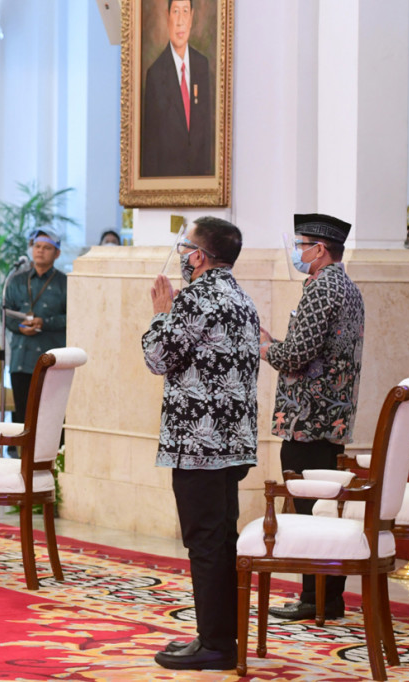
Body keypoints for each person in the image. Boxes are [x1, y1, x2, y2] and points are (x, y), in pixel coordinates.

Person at [142, 217, 259, 671]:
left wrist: (161, 312)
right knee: (219, 539)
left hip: (198, 445)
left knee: (205, 543)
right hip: (233, 445)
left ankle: (215, 644)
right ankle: (217, 636)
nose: (182, 255)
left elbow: (157, 358)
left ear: (198, 256)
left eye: (184, 247)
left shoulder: (195, 298)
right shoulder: (242, 299)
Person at [261, 213, 364, 622]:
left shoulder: (322, 288)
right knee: (321, 509)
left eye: (301, 245)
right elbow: (319, 351)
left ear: (320, 249)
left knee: (308, 511)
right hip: (331, 417)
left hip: (309, 418)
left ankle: (314, 598)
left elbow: (297, 357)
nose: (296, 252)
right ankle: (325, 597)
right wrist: (280, 345)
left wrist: (264, 347)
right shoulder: (347, 286)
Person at [3, 227, 67, 439]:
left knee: (50, 416)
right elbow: (5, 314)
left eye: (47, 248)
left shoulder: (65, 283)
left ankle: (51, 462)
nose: (40, 251)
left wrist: (45, 322)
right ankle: (20, 461)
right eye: (37, 246)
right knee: (22, 416)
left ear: (57, 253)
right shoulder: (17, 280)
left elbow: (74, 317)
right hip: (21, 359)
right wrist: (19, 327)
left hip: (50, 360)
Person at [141, 0, 213, 177]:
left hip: (201, 184)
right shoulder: (155, 74)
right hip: (168, 182)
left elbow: (206, 131)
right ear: (167, 16)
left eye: (185, 11)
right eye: (175, 12)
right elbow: (150, 146)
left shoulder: (202, 65)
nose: (180, 20)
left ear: (192, 18)